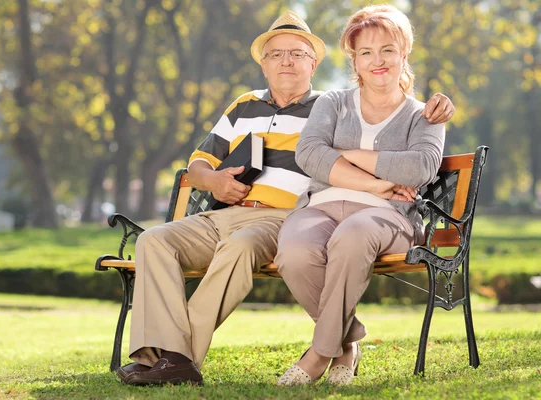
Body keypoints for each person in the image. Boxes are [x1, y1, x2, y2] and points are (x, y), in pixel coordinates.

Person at [116, 9, 453, 386]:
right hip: (225, 213)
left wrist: (436, 104)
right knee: (153, 241)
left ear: (314, 64)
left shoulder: (328, 105)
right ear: (263, 65)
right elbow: (198, 164)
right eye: (276, 54)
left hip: (280, 218)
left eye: (297, 53)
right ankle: (155, 356)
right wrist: (214, 183)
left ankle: (179, 357)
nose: (286, 61)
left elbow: (388, 128)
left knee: (241, 247)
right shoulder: (244, 105)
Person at [274, 5, 446, 386]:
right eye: (365, 52)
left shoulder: (424, 116)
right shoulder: (332, 103)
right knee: (294, 251)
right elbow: (308, 154)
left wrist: (348, 155)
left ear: (404, 52)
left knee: (352, 235)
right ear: (355, 60)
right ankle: (347, 344)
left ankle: (319, 354)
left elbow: (421, 167)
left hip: (389, 216)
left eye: (387, 49)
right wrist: (377, 182)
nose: (377, 60)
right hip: (322, 206)